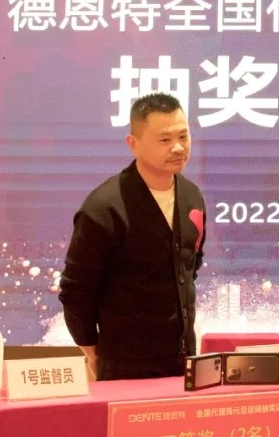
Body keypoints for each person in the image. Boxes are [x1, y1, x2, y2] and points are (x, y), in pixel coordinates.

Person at [59, 92, 206, 381]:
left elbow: (190, 267)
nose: (178, 147)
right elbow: (76, 289)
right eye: (165, 140)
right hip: (125, 365)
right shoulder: (104, 207)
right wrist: (91, 347)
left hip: (183, 361)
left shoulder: (192, 196)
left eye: (183, 137)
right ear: (133, 143)